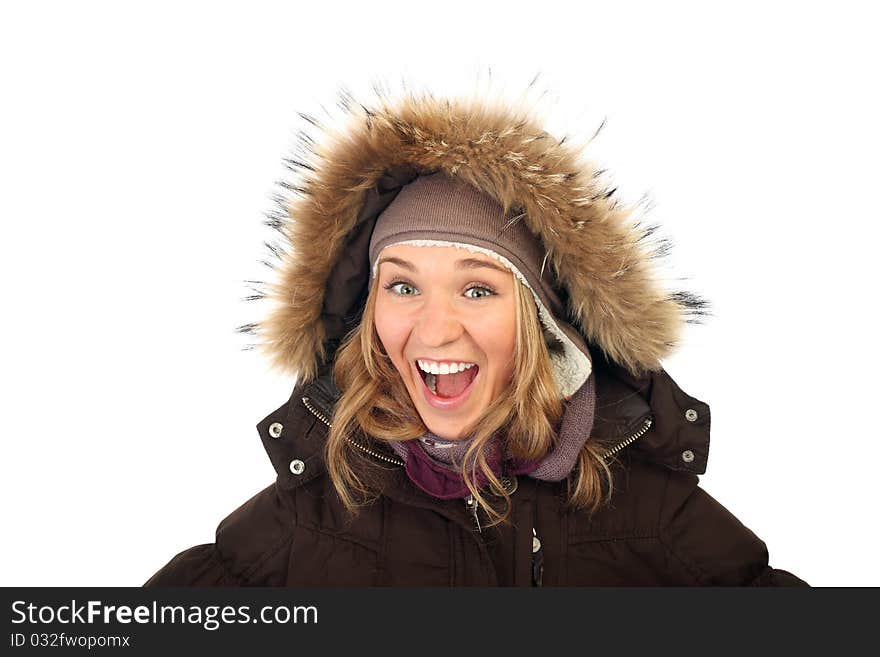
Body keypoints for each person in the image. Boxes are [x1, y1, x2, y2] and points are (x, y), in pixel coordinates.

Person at [144, 86, 807, 586]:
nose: (433, 327)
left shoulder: (648, 510)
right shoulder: (312, 510)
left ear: (541, 323)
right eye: (402, 286)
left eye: (478, 288)